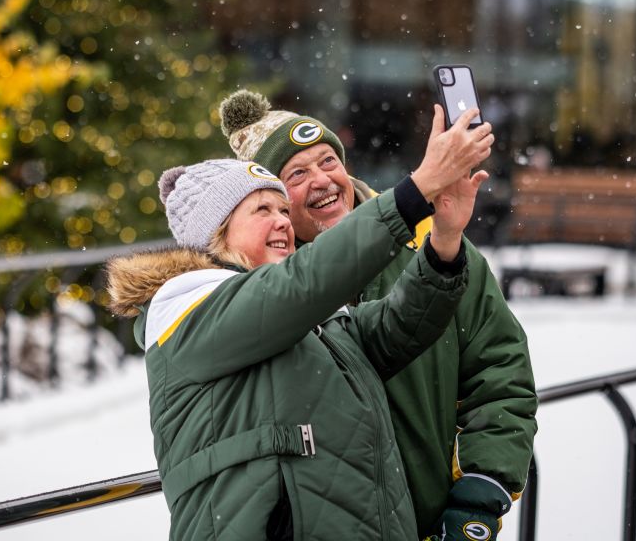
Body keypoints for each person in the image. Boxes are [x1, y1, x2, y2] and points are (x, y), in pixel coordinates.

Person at [106, 120, 490, 540]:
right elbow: (304, 282)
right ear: (216, 235)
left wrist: (445, 240)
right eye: (262, 210)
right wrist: (416, 192)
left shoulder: (296, 313)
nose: (283, 222)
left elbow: (396, 326)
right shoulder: (192, 306)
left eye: (284, 211)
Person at [219, 90, 538, 541]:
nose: (323, 180)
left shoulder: (434, 236)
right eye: (296, 174)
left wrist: (479, 494)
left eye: (329, 161)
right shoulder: (264, 288)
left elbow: (501, 371)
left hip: (431, 525)